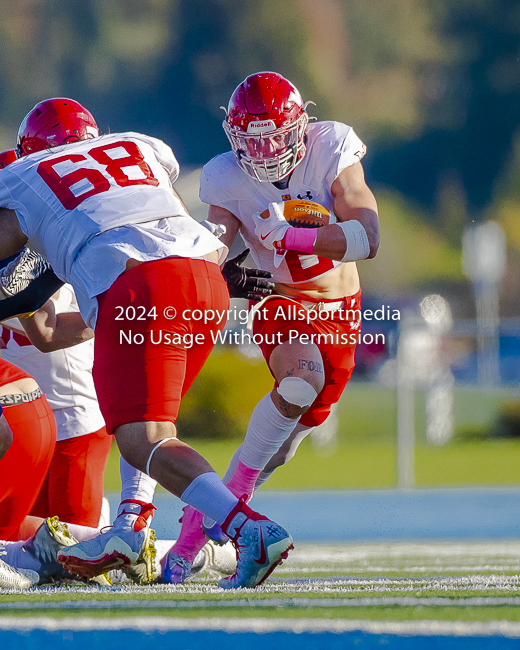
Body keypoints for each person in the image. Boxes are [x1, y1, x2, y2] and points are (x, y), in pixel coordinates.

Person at [0, 97, 293, 589]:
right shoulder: (137, 145)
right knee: (154, 429)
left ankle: (247, 531)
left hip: (141, 287)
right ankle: (132, 526)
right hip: (205, 278)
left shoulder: (24, 176)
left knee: (144, 438)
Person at [163, 71, 380, 580]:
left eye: (276, 135)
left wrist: (293, 236)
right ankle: (218, 522)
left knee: (280, 449)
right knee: (300, 380)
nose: (265, 149)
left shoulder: (332, 145)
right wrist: (221, 271)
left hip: (341, 311)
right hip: (279, 301)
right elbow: (212, 245)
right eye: (252, 139)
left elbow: (368, 237)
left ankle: (200, 521)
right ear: (234, 137)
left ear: (301, 124)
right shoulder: (226, 176)